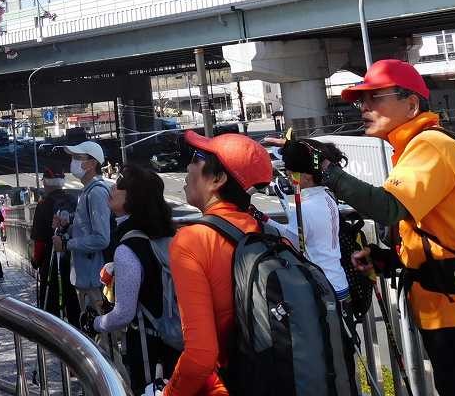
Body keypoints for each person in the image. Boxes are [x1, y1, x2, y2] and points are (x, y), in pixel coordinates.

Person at [305, 59, 455, 396]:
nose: (364, 107)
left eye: (375, 97)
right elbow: (438, 233)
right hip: (454, 318)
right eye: (362, 100)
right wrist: (389, 260)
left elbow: (390, 207)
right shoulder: (413, 151)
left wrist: (325, 169)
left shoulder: (430, 146)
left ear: (411, 104)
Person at [164, 131, 273, 396]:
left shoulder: (193, 240)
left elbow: (201, 356)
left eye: (196, 158)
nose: (188, 166)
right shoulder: (269, 234)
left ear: (217, 179)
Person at [85, 165, 179, 394]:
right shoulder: (166, 235)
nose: (112, 187)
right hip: (174, 339)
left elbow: (124, 314)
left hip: (147, 348)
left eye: (119, 185)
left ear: (134, 198)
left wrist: (93, 324)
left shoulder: (128, 247)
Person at [261, 138, 350, 303]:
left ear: (307, 177)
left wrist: (264, 219)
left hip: (323, 289)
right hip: (339, 282)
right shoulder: (328, 196)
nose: (288, 178)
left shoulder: (304, 208)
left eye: (291, 174)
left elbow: (291, 240)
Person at [52, 140, 112, 315]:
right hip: (85, 276)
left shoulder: (96, 193)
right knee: (89, 328)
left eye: (78, 157)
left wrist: (66, 243)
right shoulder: (87, 191)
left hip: (94, 279)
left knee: (100, 334)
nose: (73, 162)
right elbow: (86, 230)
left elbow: (102, 238)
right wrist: (68, 226)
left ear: (92, 163)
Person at [30, 169, 80, 325]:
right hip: (74, 258)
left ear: (45, 183)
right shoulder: (73, 200)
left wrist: (36, 261)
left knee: (50, 305)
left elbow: (39, 240)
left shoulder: (43, 204)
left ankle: (55, 338)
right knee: (73, 301)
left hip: (50, 260)